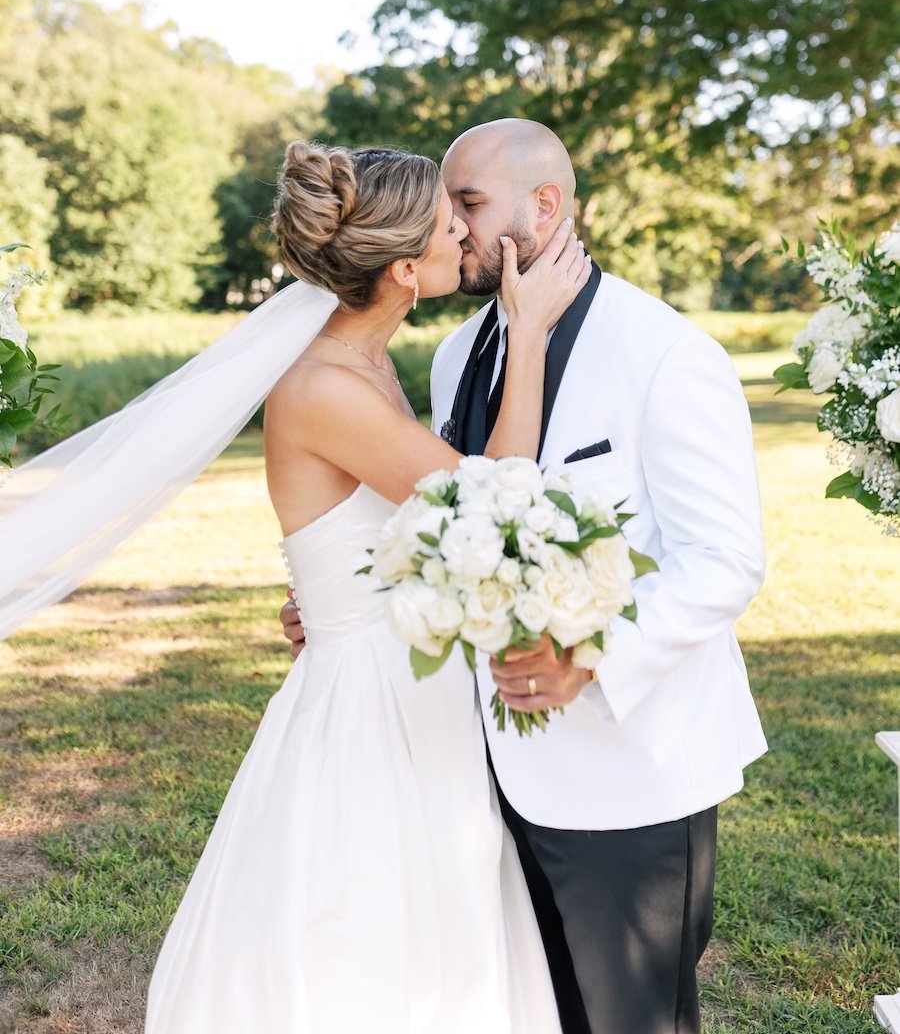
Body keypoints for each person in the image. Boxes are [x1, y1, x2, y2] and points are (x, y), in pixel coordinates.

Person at [0, 140, 593, 1032]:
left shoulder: (372, 367)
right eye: (446, 225)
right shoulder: (325, 387)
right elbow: (494, 508)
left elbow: (399, 532)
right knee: (362, 950)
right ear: (403, 270)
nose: (465, 237)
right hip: (368, 712)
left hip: (408, 691)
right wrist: (534, 335)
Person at [284, 119, 767, 1034]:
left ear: (545, 205)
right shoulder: (457, 352)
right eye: (449, 212)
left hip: (628, 779)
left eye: (468, 205)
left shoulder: (667, 353)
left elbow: (727, 559)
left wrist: (592, 658)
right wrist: (363, 599)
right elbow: (452, 524)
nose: (458, 231)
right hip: (472, 774)